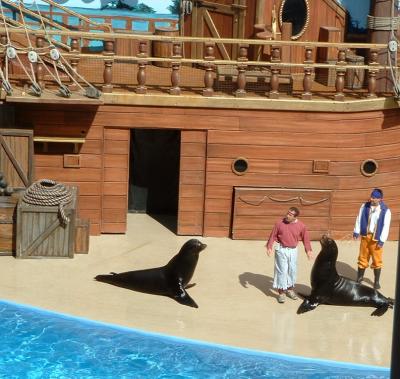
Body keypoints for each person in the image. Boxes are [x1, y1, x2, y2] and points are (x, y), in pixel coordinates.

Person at [266, 207, 313, 303]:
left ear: (295, 217)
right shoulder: (279, 223)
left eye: (290, 215)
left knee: (292, 270)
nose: (287, 215)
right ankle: (281, 293)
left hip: (293, 251)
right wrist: (269, 246)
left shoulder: (301, 226)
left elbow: (306, 239)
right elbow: (273, 235)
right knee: (281, 271)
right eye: (288, 213)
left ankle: (290, 290)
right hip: (281, 250)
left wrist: (308, 251)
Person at [353, 188, 391, 290]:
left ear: (380, 199)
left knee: (377, 260)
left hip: (376, 239)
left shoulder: (385, 210)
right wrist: (356, 231)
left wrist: (382, 240)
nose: (371, 199)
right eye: (371, 197)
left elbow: (386, 226)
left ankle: (376, 281)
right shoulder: (364, 206)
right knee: (362, 257)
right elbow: (359, 218)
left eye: (374, 197)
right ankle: (359, 277)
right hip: (365, 236)